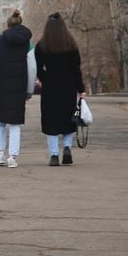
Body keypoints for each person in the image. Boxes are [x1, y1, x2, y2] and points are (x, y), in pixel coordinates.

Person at [0, 10, 36, 167]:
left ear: (7, 24)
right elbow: (32, 68)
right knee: (15, 124)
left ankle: (0, 155)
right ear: (21, 24)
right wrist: (29, 89)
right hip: (19, 88)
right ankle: (12, 157)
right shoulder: (28, 44)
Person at [35, 12, 86, 166]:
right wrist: (80, 89)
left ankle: (54, 155)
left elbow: (37, 68)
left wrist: (46, 79)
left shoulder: (42, 45)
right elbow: (76, 69)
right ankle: (67, 148)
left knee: (51, 120)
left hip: (50, 87)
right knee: (68, 119)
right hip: (68, 86)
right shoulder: (71, 45)